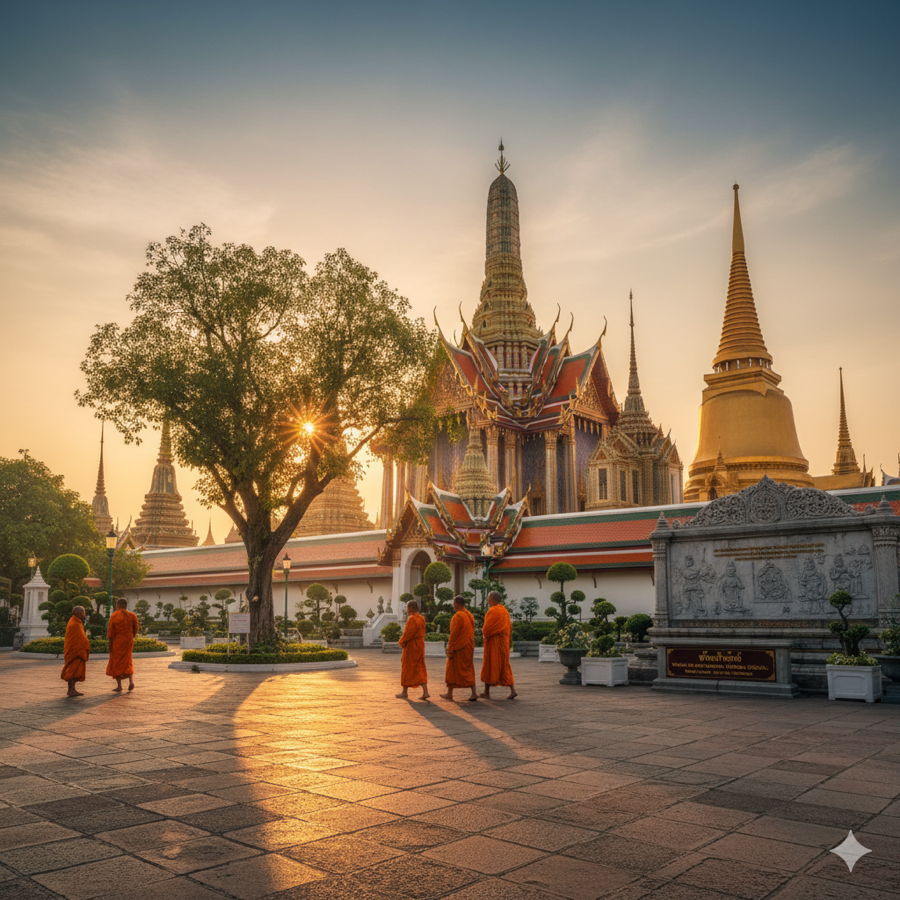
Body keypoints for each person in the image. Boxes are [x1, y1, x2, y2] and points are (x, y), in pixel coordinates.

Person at [480, 591, 517, 700]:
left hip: (494, 643)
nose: (487, 600)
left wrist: (484, 633)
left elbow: (487, 629)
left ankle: (487, 692)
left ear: (492, 599)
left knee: (490, 665)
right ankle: (512, 690)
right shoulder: (504, 611)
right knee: (504, 666)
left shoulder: (493, 611)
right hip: (503, 643)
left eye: (488, 598)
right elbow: (509, 627)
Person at [441, 595, 477, 702]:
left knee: (452, 669)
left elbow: (454, 634)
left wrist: (450, 647)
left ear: (457, 603)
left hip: (459, 647)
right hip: (468, 646)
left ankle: (449, 693)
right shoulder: (469, 615)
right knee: (468, 668)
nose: (453, 605)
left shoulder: (458, 616)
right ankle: (473, 692)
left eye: (454, 603)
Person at [396, 600, 429, 701]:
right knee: (419, 668)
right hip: (419, 645)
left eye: (407, 607)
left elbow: (408, 634)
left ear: (411, 608)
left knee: (407, 667)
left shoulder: (412, 619)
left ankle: (404, 692)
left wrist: (401, 641)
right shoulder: (421, 618)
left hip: (411, 646)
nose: (406, 609)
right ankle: (425, 691)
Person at [106, 598, 139, 692]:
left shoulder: (114, 615)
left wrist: (110, 643)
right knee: (128, 660)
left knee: (116, 662)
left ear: (118, 605)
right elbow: (136, 628)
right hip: (128, 640)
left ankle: (119, 685)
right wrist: (131, 636)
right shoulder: (132, 615)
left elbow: (110, 631)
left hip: (117, 641)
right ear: (126, 605)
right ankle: (131, 681)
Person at [61, 606, 90, 698]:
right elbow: (78, 640)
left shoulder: (76, 622)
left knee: (74, 671)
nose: (84, 614)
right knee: (72, 671)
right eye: (83, 613)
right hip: (75, 651)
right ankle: (71, 690)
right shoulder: (74, 624)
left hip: (76, 651)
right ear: (78, 613)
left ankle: (72, 689)